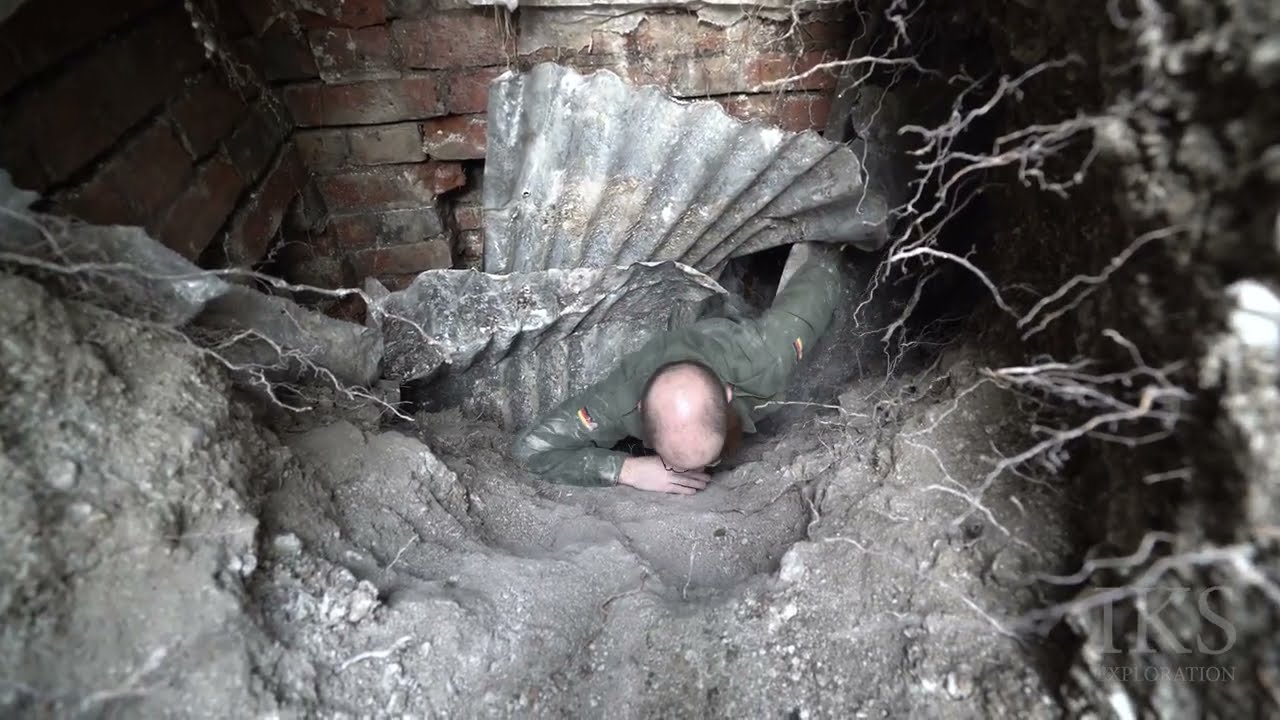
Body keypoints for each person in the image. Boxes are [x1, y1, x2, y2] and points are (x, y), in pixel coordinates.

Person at [511, 243, 845, 494]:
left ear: (728, 394)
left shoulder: (767, 356)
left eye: (709, 459)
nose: (700, 470)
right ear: (639, 413)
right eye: (675, 463)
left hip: (728, 328)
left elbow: (823, 273)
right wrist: (627, 470)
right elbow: (530, 450)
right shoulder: (615, 402)